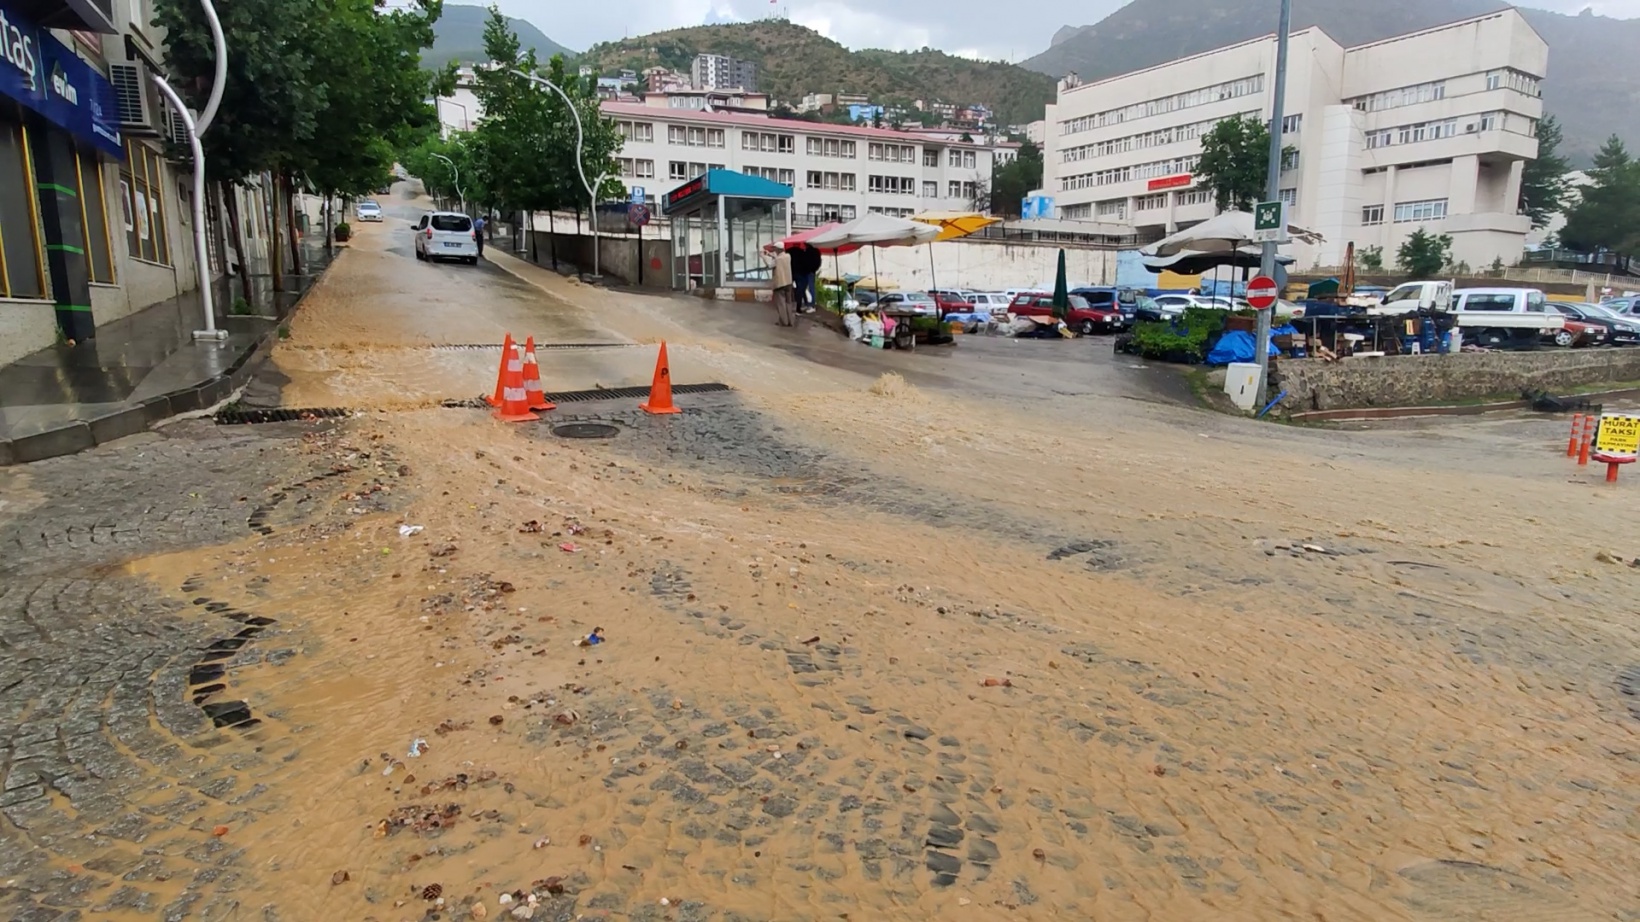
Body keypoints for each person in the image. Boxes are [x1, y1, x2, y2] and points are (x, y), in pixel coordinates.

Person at [761, 244, 796, 327]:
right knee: (788, 302)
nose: (774, 250)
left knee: (781, 304)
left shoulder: (778, 259)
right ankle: (790, 321)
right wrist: (769, 254)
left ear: (778, 249)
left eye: (775, 249)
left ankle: (784, 322)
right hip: (788, 283)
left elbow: (770, 264)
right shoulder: (788, 256)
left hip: (780, 283)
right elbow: (778, 258)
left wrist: (763, 256)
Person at [792, 243, 821, 311]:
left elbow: (805, 262)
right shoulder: (816, 251)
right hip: (811, 271)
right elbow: (818, 262)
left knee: (807, 288)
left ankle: (811, 305)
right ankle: (809, 304)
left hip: (807, 271)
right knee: (809, 288)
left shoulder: (807, 252)